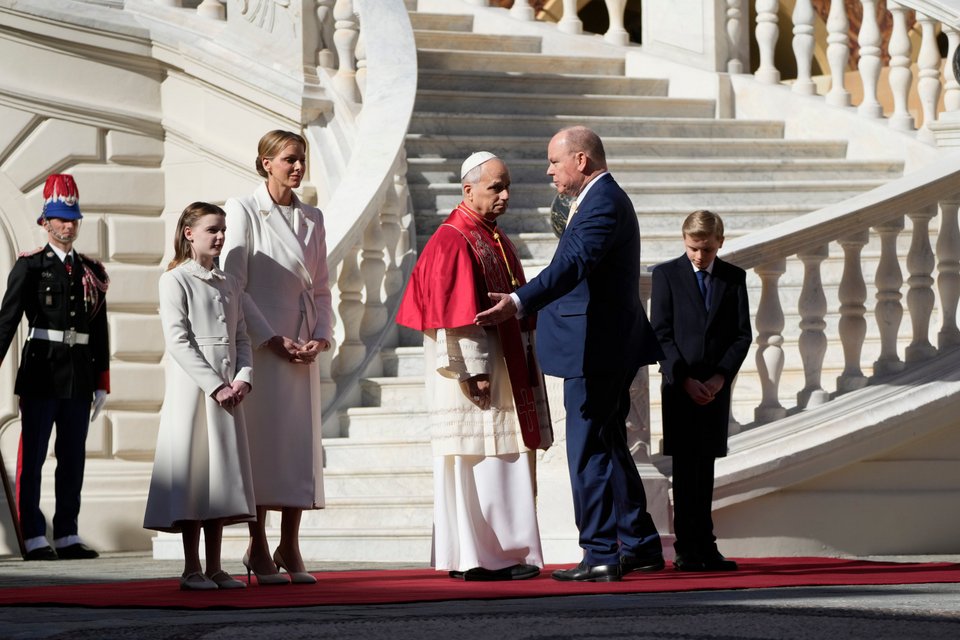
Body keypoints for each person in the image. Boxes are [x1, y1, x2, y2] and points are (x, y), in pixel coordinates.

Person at [476, 126, 665, 582]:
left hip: (594, 350)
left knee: (589, 451)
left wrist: (520, 301)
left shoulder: (602, 202)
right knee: (611, 443)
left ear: (581, 160)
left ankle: (600, 552)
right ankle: (638, 543)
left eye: (555, 162)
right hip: (601, 345)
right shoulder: (601, 199)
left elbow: (572, 264)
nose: (549, 171)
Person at [397, 152, 553, 582]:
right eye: (495, 188)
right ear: (468, 190)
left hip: (498, 366)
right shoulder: (455, 238)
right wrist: (473, 370)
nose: (505, 195)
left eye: (506, 187)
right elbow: (456, 312)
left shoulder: (490, 235)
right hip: (476, 373)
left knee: (487, 459)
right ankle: (491, 555)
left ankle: (479, 554)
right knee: (483, 459)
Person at [222, 129, 332, 585]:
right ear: (266, 162)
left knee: (296, 446)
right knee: (262, 445)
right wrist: (270, 338)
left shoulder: (313, 216)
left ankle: (290, 543)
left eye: (302, 158)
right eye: (289, 158)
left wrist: (321, 337)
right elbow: (235, 284)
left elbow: (323, 286)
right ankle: (259, 545)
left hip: (302, 344)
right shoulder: (244, 209)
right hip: (262, 346)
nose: (298, 166)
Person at [143, 202, 257, 590]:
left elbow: (242, 336)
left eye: (223, 229)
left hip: (229, 390)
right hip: (195, 391)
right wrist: (215, 385)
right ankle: (191, 567)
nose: (221, 236)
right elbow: (178, 340)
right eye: (212, 229)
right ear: (190, 233)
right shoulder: (175, 279)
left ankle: (215, 566)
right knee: (195, 474)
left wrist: (243, 378)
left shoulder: (229, 282)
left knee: (221, 476)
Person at [0, 174, 109, 561]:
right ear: (45, 221)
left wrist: (102, 380)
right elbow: (7, 321)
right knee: (33, 458)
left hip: (79, 375)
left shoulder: (90, 271)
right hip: (41, 373)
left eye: (73, 218)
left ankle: (66, 532)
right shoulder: (30, 267)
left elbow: (99, 328)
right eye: (61, 218)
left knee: (73, 457)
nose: (68, 225)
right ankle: (33, 534)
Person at [650, 210, 751, 571]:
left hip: (714, 388)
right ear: (684, 241)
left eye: (706, 249)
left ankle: (705, 547)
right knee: (684, 469)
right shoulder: (666, 275)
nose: (699, 256)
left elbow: (742, 335)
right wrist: (684, 379)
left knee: (704, 468)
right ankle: (686, 548)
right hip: (680, 388)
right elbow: (660, 333)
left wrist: (720, 378)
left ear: (720, 243)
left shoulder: (733, 278)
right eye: (693, 248)